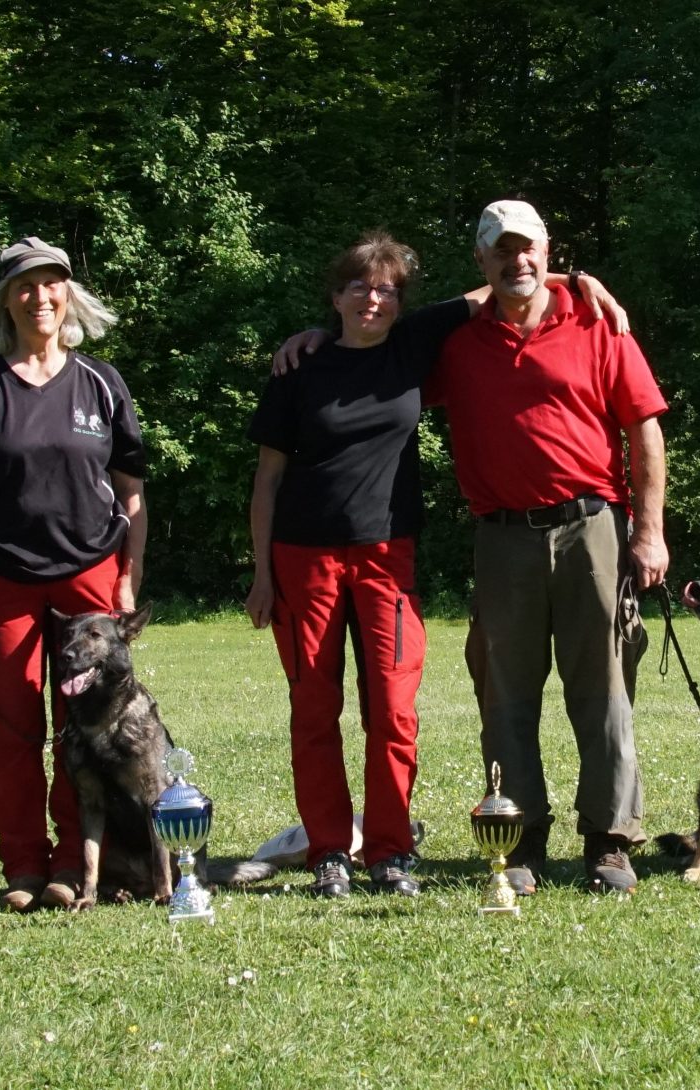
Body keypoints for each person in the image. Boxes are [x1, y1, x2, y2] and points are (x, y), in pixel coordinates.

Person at [438, 200, 667, 894]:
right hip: (501, 536)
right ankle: (521, 840)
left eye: (530, 248)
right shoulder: (453, 340)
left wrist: (649, 531)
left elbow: (644, 430)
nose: (519, 261)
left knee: (603, 690)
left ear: (548, 249)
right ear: (481, 261)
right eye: (502, 250)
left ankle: (610, 840)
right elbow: (371, 353)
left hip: (590, 527)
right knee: (505, 695)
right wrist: (309, 344)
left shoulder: (596, 321)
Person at [245, 234, 473, 898]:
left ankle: (390, 849)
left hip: (386, 556)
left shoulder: (413, 345)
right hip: (302, 557)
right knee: (314, 709)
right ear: (336, 296)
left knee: (395, 710)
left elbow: (504, 286)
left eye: (387, 290)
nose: (373, 299)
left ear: (401, 301)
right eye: (360, 288)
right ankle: (328, 851)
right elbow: (266, 481)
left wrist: (579, 284)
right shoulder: (298, 369)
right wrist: (262, 574)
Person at [0, 236, 148, 913]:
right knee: (15, 726)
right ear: (5, 300)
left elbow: (133, 490)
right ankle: (22, 864)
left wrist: (130, 578)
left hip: (90, 575)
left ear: (68, 294)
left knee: (89, 726)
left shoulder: (102, 381)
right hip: (4, 578)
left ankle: (74, 864)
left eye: (52, 283)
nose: (39, 296)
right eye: (24, 285)